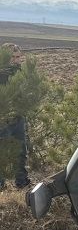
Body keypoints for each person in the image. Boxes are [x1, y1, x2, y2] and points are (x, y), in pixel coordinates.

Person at [0, 52, 30, 189]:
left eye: (18, 57)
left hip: (18, 118)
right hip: (3, 120)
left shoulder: (21, 72)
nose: (16, 60)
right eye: (13, 56)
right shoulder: (1, 73)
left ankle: (22, 182)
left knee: (21, 151)